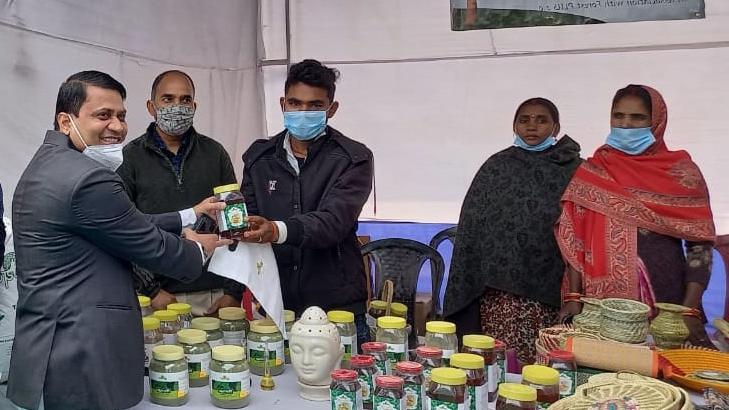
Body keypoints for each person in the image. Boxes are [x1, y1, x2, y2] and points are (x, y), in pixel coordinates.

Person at [7, 71, 230, 410]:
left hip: (51, 342)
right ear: (66, 121)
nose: (117, 126)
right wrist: (199, 247)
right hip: (79, 350)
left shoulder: (48, 164)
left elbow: (120, 224)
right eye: (103, 115)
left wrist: (188, 214)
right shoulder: (88, 178)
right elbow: (148, 245)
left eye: (121, 116)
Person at [555, 84, 716, 348]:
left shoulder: (681, 173)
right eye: (618, 116)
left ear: (656, 122)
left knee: (664, 380)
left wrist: (688, 310)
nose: (626, 125)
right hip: (599, 307)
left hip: (665, 301)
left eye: (638, 118)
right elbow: (575, 237)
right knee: (604, 381)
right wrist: (573, 296)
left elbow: (700, 245)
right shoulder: (593, 170)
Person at [238, 59, 374, 348]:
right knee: (272, 386)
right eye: (295, 103)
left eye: (314, 106)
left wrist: (276, 230)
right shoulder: (259, 159)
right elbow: (247, 219)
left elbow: (334, 222)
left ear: (331, 109)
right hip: (277, 305)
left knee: (342, 388)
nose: (303, 112)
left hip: (337, 309)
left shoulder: (354, 159)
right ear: (282, 103)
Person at [444, 98, 582, 364]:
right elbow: (473, 224)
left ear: (556, 127)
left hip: (549, 287)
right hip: (499, 291)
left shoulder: (571, 169)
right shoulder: (496, 166)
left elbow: (579, 226)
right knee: (500, 361)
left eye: (541, 120)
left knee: (543, 362)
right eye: (524, 120)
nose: (532, 126)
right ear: (514, 125)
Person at [118, 70, 244, 315]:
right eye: (168, 99)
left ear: (194, 106)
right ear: (151, 106)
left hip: (213, 294)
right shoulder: (128, 158)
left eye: (185, 100)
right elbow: (123, 230)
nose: (177, 106)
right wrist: (152, 291)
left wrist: (233, 292)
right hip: (153, 300)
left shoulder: (215, 153)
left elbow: (234, 221)